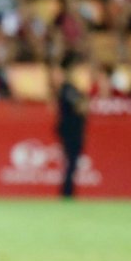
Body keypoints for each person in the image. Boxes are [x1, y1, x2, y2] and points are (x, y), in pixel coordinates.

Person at [53, 60, 88, 199]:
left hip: (74, 129)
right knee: (71, 161)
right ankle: (67, 192)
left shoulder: (71, 89)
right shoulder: (68, 89)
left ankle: (68, 191)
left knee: (72, 162)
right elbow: (81, 107)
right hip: (71, 131)